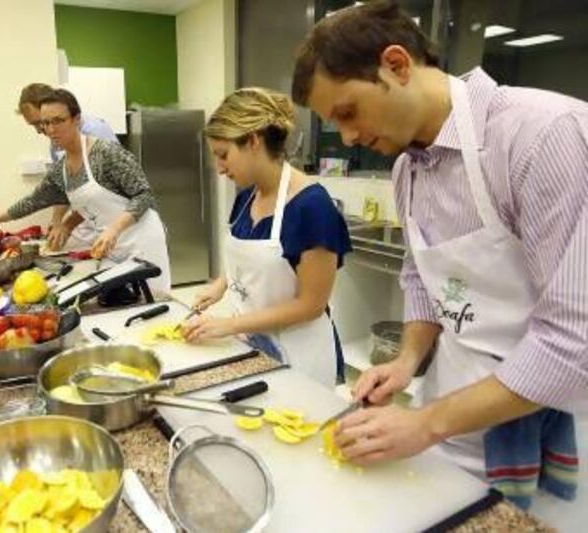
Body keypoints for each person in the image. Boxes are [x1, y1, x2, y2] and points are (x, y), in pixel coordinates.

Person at [291, 0, 587, 516]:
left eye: (347, 112)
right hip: (450, 413)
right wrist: (407, 362)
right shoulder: (410, 169)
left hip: (542, 423)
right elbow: (426, 276)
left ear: (397, 65)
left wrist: (425, 423)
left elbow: (574, 344)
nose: (350, 137)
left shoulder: (543, 136)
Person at [182, 88, 351, 388]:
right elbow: (245, 258)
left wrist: (228, 325)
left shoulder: (312, 207)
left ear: (253, 141)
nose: (219, 168)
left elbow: (311, 305)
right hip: (252, 341)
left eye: (223, 155)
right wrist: (220, 285)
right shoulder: (247, 197)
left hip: (298, 353)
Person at [0, 88, 171, 295]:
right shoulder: (61, 169)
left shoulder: (105, 153)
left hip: (140, 239)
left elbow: (143, 194)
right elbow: (32, 202)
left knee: (153, 300)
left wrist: (114, 229)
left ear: (76, 119)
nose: (50, 129)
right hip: (109, 246)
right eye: (45, 123)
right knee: (119, 303)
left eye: (58, 121)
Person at [17, 83, 118, 251]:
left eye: (38, 123)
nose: (39, 130)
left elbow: (108, 189)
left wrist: (67, 224)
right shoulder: (56, 142)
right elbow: (63, 187)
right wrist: (56, 221)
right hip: (90, 220)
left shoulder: (95, 131)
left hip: (115, 224)